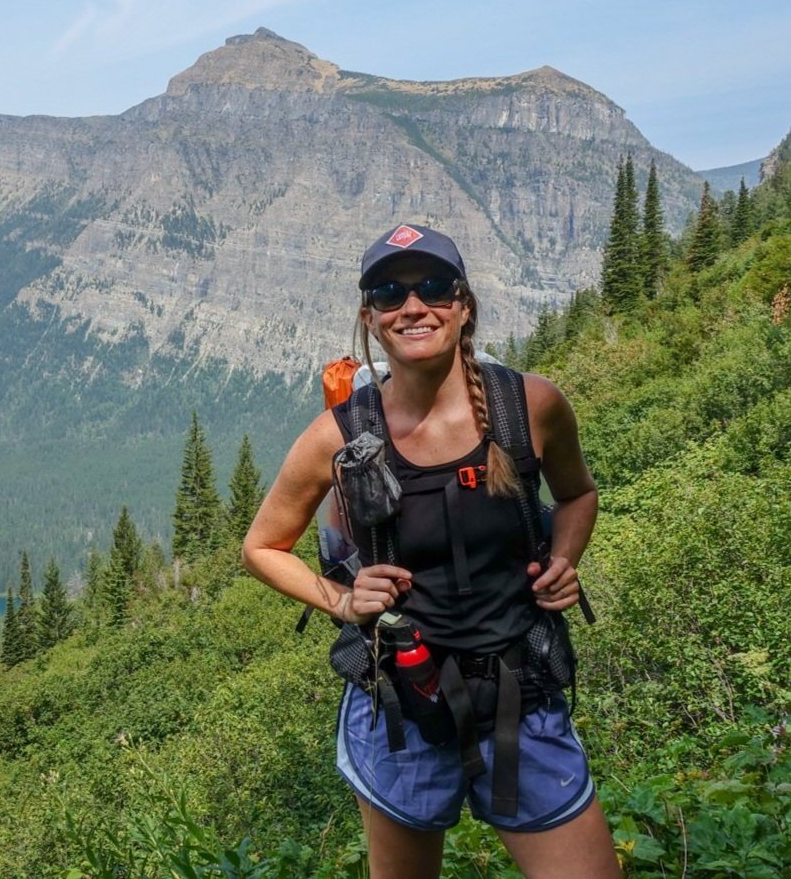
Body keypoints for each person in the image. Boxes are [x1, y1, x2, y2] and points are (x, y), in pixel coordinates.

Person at [241, 224, 619, 878]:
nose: (413, 306)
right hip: (402, 707)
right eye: (390, 292)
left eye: (434, 287)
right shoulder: (335, 435)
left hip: (520, 692)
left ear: (463, 304)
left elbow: (578, 496)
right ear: (370, 318)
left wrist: (565, 556)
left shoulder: (530, 406)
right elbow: (261, 546)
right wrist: (340, 598)